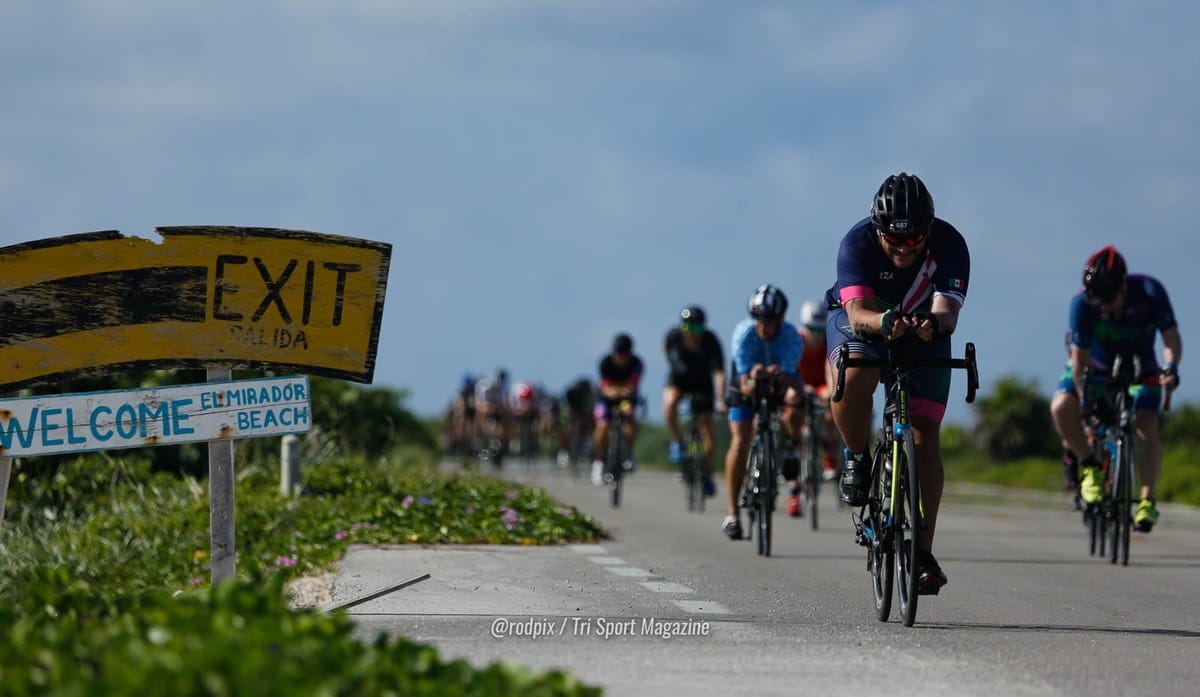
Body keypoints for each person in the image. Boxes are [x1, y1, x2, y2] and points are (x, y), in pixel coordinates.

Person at [826, 172, 969, 594]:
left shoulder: (950, 244)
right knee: (858, 373)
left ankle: (922, 551)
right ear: (877, 229)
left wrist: (932, 323)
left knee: (925, 434)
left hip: (920, 330)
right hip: (862, 323)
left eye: (914, 239)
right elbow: (857, 314)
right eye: (894, 239)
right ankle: (856, 453)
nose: (904, 248)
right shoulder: (857, 243)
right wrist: (886, 322)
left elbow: (947, 312)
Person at [1048, 245, 1181, 532]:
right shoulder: (1082, 305)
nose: (1103, 306)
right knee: (1062, 407)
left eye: (1108, 299)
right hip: (1093, 369)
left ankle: (1146, 501)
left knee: (1147, 426)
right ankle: (1089, 467)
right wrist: (1084, 402)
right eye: (1097, 299)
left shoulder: (1150, 291)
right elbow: (1079, 358)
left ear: (1123, 285)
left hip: (1141, 368)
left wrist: (1170, 369)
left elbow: (1171, 339)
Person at [721, 285, 805, 540]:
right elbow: (744, 384)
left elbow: (790, 381)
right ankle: (732, 513)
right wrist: (754, 378)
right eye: (756, 318)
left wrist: (777, 376)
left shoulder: (792, 337)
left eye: (767, 319)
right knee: (740, 440)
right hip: (748, 384)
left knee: (797, 397)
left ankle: (790, 446)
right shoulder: (743, 334)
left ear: (781, 318)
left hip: (781, 382)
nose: (761, 325)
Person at [663, 306, 727, 498]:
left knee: (707, 430)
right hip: (679, 380)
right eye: (687, 327)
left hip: (702, 384)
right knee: (669, 405)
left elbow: (719, 373)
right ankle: (677, 441)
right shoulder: (673, 338)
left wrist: (721, 399)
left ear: (703, 328)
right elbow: (667, 354)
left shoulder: (711, 341)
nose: (691, 333)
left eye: (696, 329)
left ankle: (707, 473)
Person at [786, 300, 841, 518]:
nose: (816, 335)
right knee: (793, 420)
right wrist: (800, 388)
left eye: (820, 330)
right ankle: (793, 491)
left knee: (832, 403)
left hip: (819, 386)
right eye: (812, 330)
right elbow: (791, 370)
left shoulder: (828, 343)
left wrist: (830, 390)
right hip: (799, 385)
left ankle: (828, 449)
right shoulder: (796, 342)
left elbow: (830, 369)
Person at [592, 334, 645, 486]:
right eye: (619, 354)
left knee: (630, 415)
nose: (622, 358)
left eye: (625, 355)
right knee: (602, 426)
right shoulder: (605, 362)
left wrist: (620, 391)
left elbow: (632, 385)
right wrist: (613, 391)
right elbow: (604, 386)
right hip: (606, 400)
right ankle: (599, 461)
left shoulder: (637, 363)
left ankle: (629, 453)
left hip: (625, 399)